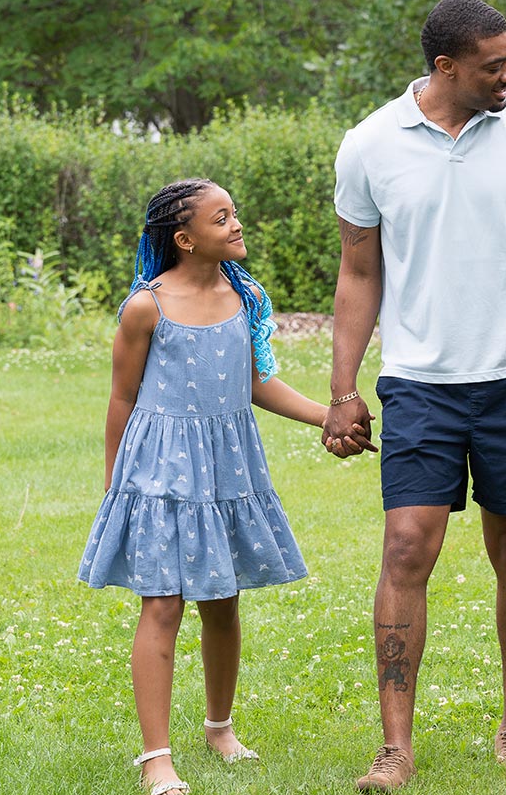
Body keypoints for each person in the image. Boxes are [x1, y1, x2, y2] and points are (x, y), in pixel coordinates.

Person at [323, 0, 506, 790]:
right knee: (406, 545)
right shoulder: (370, 144)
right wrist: (342, 388)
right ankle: (395, 746)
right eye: (494, 65)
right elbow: (358, 272)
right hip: (418, 381)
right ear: (446, 67)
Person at [78, 179, 355, 795]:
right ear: (185, 239)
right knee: (163, 602)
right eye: (221, 217)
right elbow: (122, 397)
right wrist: (115, 486)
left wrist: (326, 415)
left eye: (234, 212)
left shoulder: (245, 296)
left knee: (223, 600)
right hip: (160, 469)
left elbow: (256, 384)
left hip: (228, 467)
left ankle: (220, 727)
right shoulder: (146, 306)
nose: (236, 224)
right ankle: (155, 758)